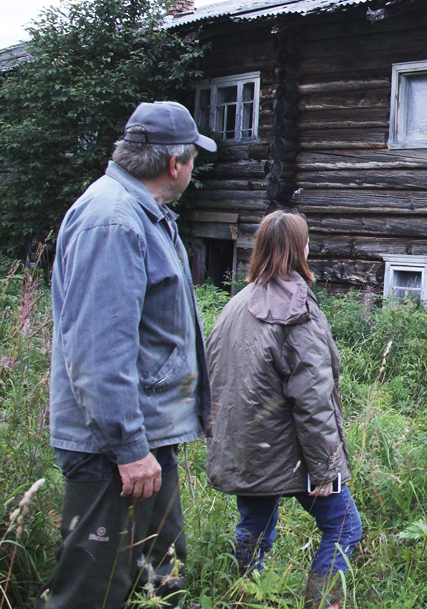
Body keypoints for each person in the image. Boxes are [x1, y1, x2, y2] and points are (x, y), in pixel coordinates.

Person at [41, 101, 217, 608]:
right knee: (91, 594)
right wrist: (129, 449)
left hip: (142, 437)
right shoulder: (114, 221)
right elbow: (98, 352)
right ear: (175, 164)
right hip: (113, 450)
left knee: (158, 582)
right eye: (193, 158)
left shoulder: (144, 215)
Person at [205, 210, 362, 609]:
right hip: (286, 450)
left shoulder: (236, 304)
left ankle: (244, 597)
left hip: (244, 446)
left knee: (254, 529)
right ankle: (321, 604)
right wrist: (326, 469)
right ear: (301, 249)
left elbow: (215, 377)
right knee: (344, 526)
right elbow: (312, 400)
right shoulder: (295, 309)